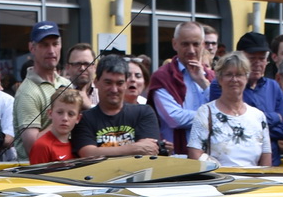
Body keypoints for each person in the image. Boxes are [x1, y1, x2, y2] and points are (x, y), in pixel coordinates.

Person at [189, 52, 272, 169]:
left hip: (254, 183)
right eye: (228, 74)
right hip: (218, 182)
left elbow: (266, 161)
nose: (234, 79)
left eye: (239, 74)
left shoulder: (259, 116)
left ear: (246, 77)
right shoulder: (205, 112)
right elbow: (194, 155)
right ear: (219, 78)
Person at [226, 32, 283, 166]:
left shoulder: (273, 87)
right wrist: (275, 118)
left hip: (272, 165)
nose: (258, 63)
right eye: (252, 58)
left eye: (262, 58)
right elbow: (232, 125)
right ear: (239, 58)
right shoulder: (225, 85)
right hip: (238, 164)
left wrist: (253, 126)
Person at [73, 55, 161, 157]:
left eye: (119, 83)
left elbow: (150, 151)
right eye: (108, 83)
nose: (114, 89)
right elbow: (88, 154)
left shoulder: (144, 112)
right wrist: (135, 148)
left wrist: (100, 152)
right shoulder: (84, 118)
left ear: (126, 84)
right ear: (96, 82)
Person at [147, 21, 211, 155]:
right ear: (174, 44)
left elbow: (223, 108)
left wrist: (203, 83)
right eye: (185, 44)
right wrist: (211, 117)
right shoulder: (162, 76)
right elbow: (174, 118)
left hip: (211, 153)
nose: (191, 50)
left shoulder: (211, 77)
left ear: (203, 44)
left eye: (196, 44)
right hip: (177, 155)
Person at [13, 22, 70, 156]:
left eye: (55, 44)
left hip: (65, 166)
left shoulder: (66, 83)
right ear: (32, 48)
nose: (51, 51)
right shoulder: (27, 92)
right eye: (44, 45)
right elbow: (32, 147)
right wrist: (62, 121)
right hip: (38, 172)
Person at [29, 86, 84, 163]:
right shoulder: (42, 146)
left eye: (71, 114)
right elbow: (36, 175)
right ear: (50, 114)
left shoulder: (78, 143)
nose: (65, 118)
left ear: (78, 118)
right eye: (60, 112)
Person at [64, 42, 99, 108]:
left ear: (94, 67)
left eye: (87, 64)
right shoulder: (60, 94)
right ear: (67, 68)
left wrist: (89, 106)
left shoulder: (102, 94)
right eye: (77, 64)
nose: (82, 68)